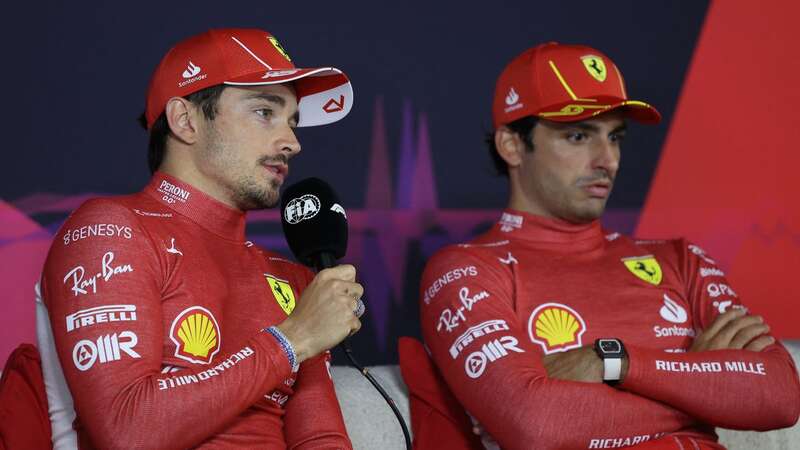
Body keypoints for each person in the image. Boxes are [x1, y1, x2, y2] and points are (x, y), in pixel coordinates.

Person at [417, 42, 800, 449]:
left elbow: (781, 396)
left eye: (614, 137)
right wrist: (700, 381)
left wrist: (614, 362)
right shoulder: (466, 270)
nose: (608, 160)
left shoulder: (679, 259)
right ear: (512, 145)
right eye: (579, 136)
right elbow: (537, 423)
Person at [39, 28, 363, 449]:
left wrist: (297, 336)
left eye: (293, 121)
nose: (292, 143)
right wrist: (292, 340)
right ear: (185, 120)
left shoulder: (292, 277)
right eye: (265, 112)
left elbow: (320, 438)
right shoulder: (109, 229)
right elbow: (127, 429)